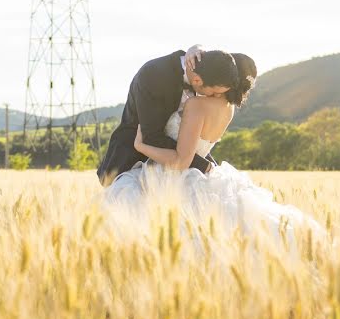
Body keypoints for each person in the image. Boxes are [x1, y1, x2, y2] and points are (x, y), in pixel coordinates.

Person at [106, 51, 326, 251]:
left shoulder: (197, 105)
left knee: (160, 228)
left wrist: (141, 146)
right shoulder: (228, 109)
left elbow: (182, 158)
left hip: (176, 174)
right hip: (204, 174)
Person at [96, 47, 239, 187]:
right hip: (135, 161)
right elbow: (151, 136)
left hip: (177, 168)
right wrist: (200, 163)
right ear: (196, 81)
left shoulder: (202, 65)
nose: (216, 98)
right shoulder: (152, 76)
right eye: (214, 92)